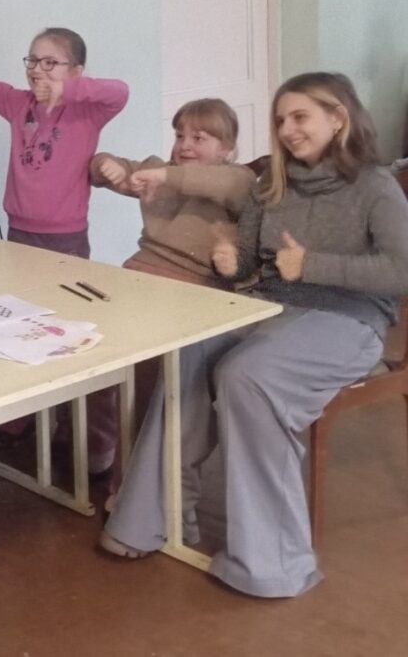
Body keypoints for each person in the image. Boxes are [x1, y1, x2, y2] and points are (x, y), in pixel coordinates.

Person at [99, 72, 408, 598]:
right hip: (270, 306)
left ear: (338, 118)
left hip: (349, 319)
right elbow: (249, 259)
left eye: (300, 117)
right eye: (281, 119)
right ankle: (158, 518)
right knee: (188, 353)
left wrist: (314, 265)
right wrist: (230, 260)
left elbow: (400, 270)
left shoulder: (374, 186)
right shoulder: (273, 186)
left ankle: (273, 561)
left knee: (247, 374)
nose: (287, 129)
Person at [0, 27, 129, 474]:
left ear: (77, 71)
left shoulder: (88, 110)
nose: (38, 70)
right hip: (20, 235)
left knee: (74, 334)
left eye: (50, 62)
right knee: (22, 327)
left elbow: (120, 91)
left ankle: (93, 437)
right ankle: (24, 417)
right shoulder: (21, 105)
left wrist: (66, 88)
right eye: (33, 61)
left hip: (65, 240)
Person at [90, 98, 255, 286]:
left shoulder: (237, 177)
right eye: (179, 136)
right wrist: (105, 165)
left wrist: (164, 176)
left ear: (226, 148)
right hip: (141, 267)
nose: (185, 145)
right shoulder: (158, 170)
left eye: (198, 138)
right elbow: (99, 169)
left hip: (198, 281)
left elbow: (219, 181)